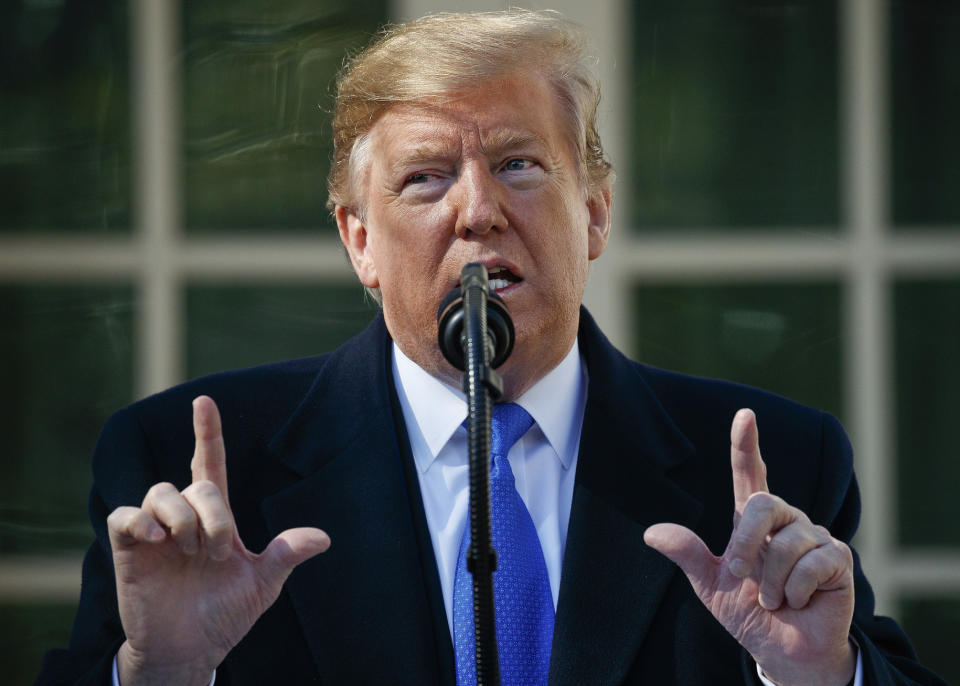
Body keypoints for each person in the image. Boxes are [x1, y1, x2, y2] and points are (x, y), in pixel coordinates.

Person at [37, 10, 945, 686]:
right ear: (360, 243)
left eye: (517, 163)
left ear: (593, 212)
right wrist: (160, 675)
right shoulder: (191, 470)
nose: (478, 210)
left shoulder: (770, 465)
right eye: (426, 179)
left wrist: (821, 677)